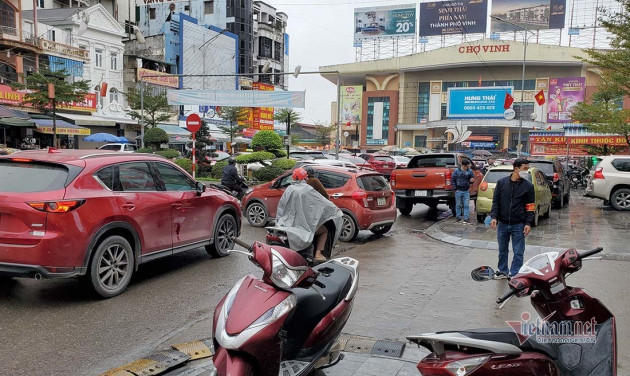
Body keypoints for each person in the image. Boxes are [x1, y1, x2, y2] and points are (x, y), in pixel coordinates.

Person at [490, 158, 536, 279]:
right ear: (516, 168)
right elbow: (496, 202)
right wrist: (494, 217)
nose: (526, 171)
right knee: (502, 250)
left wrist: (528, 223)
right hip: (503, 223)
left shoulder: (528, 186)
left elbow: (530, 207)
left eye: (527, 168)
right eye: (525, 169)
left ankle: (515, 273)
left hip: (519, 224)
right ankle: (503, 271)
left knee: (519, 251)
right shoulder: (502, 183)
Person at [291, 167, 329, 264]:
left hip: (290, 223)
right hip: (306, 222)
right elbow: (325, 196)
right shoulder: (310, 186)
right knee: (324, 230)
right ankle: (318, 254)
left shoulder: (290, 189)